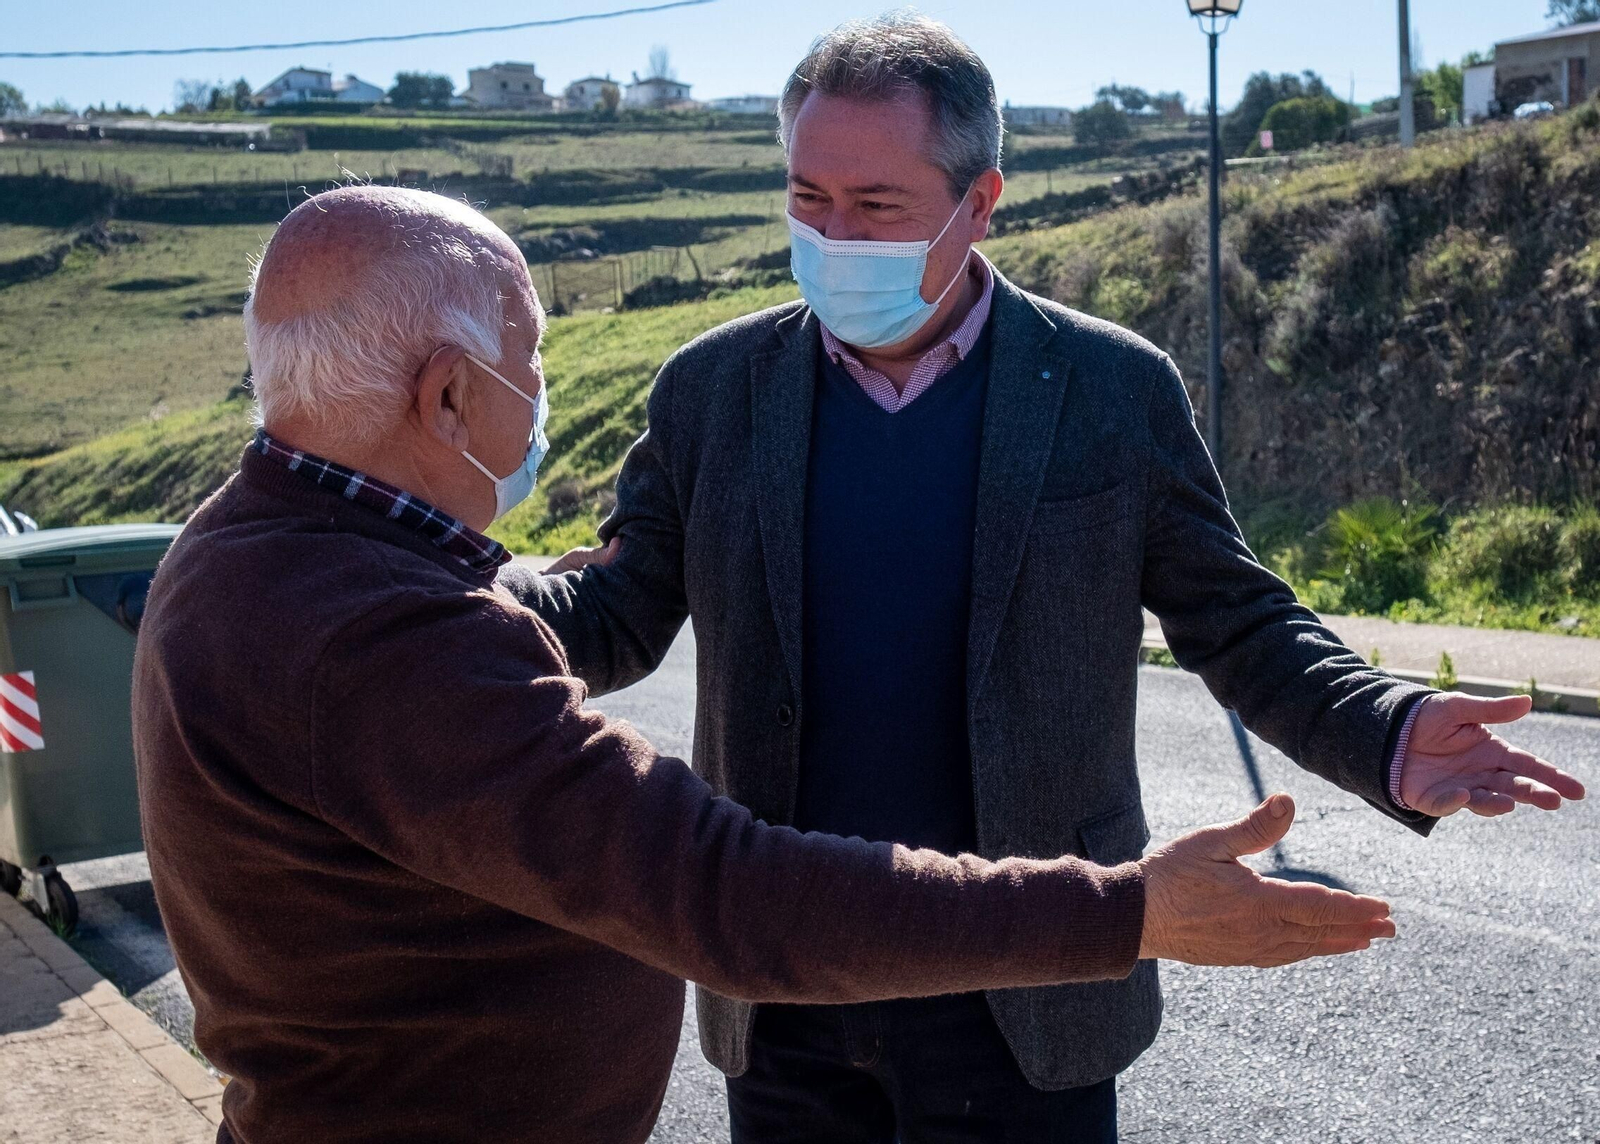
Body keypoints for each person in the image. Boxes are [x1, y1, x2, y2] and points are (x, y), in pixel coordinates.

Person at [130, 185, 1396, 1144]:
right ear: (450, 398)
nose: (539, 394)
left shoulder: (253, 547)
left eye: (875, 200)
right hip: (763, 1022)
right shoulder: (384, 629)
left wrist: (501, 591)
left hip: (1015, 1033)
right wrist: (1129, 907)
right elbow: (714, 887)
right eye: (530, 365)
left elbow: (1230, 609)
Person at [514, 15, 1587, 1143]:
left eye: (875, 206)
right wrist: (443, 585)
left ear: (980, 203)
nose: (832, 234)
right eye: (805, 198)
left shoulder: (1108, 389)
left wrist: (1388, 726)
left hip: (1030, 1002)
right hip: (787, 994)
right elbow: (615, 613)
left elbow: (1236, 619)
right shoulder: (711, 391)